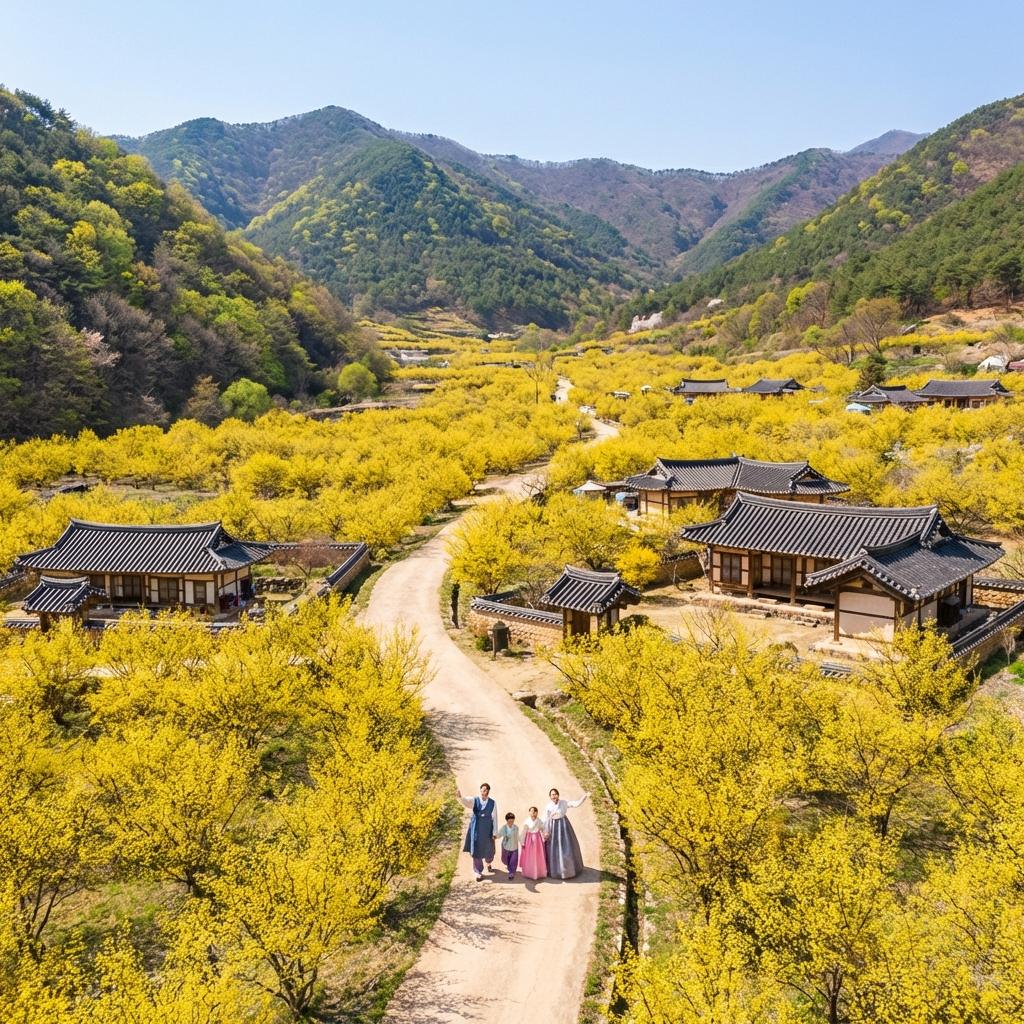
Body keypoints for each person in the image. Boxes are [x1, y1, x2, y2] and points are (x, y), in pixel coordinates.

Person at [543, 787, 589, 879]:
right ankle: (555, 870)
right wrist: (545, 831)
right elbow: (545, 819)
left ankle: (567, 870)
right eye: (552, 794)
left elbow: (575, 804)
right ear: (550, 796)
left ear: (558, 795)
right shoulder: (548, 806)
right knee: (553, 849)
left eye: (555, 794)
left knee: (566, 847)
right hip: (552, 827)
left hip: (563, 826)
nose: (554, 796)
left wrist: (584, 797)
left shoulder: (564, 803)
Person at [457, 783, 497, 881]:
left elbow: (495, 818)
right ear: (480, 790)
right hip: (476, 829)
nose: (485, 792)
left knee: (489, 849)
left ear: (488, 792)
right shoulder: (474, 800)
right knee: (476, 849)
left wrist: (494, 832)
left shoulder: (493, 803)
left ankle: (488, 862)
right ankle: (478, 872)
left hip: (487, 829)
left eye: (487, 790)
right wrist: (460, 797)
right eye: (483, 790)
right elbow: (466, 802)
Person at [519, 805, 547, 880]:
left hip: (538, 840)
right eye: (531, 811)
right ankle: (529, 872)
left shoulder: (539, 820)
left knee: (538, 856)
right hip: (529, 840)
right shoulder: (527, 821)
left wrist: (545, 835)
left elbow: (543, 829)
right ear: (529, 812)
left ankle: (539, 872)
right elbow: (524, 832)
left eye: (535, 812)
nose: (533, 813)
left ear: (537, 813)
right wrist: (522, 842)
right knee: (530, 856)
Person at [497, 812, 520, 880]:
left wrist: (522, 842)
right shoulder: (504, 827)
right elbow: (499, 834)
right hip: (505, 847)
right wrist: (494, 836)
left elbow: (518, 836)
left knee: (513, 860)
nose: (511, 822)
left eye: (512, 821)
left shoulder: (516, 828)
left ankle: (511, 873)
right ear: (507, 820)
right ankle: (508, 866)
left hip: (514, 847)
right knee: (505, 860)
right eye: (509, 821)